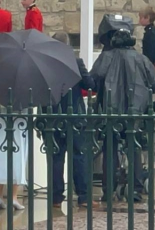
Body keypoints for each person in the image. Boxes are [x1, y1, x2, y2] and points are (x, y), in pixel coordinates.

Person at [90, 14, 155, 202]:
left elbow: (93, 81)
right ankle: (136, 188)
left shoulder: (106, 57)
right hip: (134, 112)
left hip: (111, 111)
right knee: (134, 148)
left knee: (110, 149)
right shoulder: (141, 59)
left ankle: (108, 189)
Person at [50, 32, 98, 209]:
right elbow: (90, 84)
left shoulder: (47, 63)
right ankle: (84, 196)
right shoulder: (75, 62)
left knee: (56, 157)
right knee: (79, 156)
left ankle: (56, 198)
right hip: (75, 115)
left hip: (53, 115)